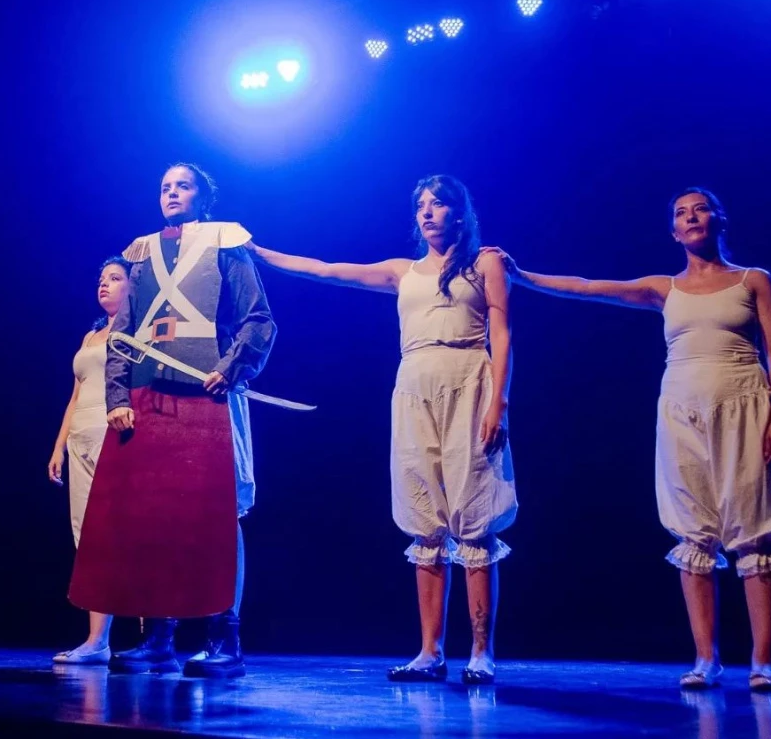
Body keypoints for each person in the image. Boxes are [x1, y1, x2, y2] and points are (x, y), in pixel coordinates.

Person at [485, 187, 771, 691]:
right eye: (681, 213)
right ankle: (706, 659)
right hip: (682, 411)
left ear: (718, 220)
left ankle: (763, 660)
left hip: (745, 404)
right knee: (694, 530)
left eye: (700, 209)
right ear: (674, 232)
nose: (691, 217)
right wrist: (524, 275)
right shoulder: (663, 288)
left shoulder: (753, 280)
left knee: (754, 528)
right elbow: (590, 286)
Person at [246, 175, 517, 685]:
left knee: (474, 516)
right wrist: (262, 253)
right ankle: (430, 651)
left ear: (459, 213)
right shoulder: (403, 271)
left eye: (438, 204)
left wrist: (497, 403)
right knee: (425, 518)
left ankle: (481, 652)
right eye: (421, 205)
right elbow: (329, 271)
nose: (428, 212)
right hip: (414, 384)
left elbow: (501, 335)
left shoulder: (486, 263)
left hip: (469, 382)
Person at [68, 163, 277, 678]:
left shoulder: (228, 243)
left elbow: (258, 318)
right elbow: (123, 332)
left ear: (202, 197)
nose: (171, 194)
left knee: (215, 518)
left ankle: (224, 639)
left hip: (207, 398)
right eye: (164, 187)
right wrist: (118, 394)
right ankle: (158, 638)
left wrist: (231, 369)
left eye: (182, 186)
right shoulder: (141, 253)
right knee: (152, 518)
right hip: (147, 401)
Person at [48, 257, 131, 665]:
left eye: (115, 279)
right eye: (101, 279)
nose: (104, 285)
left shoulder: (135, 330)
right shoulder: (91, 334)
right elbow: (76, 394)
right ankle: (97, 641)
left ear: (132, 288)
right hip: (80, 435)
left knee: (114, 532)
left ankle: (152, 640)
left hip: (113, 434)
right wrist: (59, 445)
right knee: (85, 536)